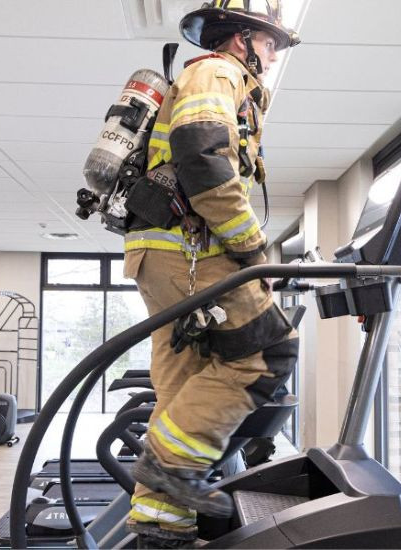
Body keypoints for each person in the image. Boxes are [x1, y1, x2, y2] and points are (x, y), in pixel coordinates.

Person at [122, 1, 301, 546]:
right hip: (191, 250)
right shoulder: (217, 72)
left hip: (163, 252)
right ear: (240, 39)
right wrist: (252, 250)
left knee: (183, 388)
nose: (273, 55)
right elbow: (202, 155)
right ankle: (170, 471)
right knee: (269, 353)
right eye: (269, 42)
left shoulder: (215, 78)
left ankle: (161, 528)